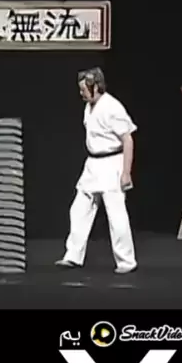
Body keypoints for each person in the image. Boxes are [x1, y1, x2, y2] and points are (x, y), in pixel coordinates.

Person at [55, 67, 138, 274]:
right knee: (79, 209)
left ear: (96, 87)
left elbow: (128, 139)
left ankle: (126, 261)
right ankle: (73, 255)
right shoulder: (90, 106)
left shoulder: (112, 108)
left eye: (84, 89)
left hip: (112, 163)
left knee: (116, 215)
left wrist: (126, 172)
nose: (81, 93)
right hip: (93, 163)